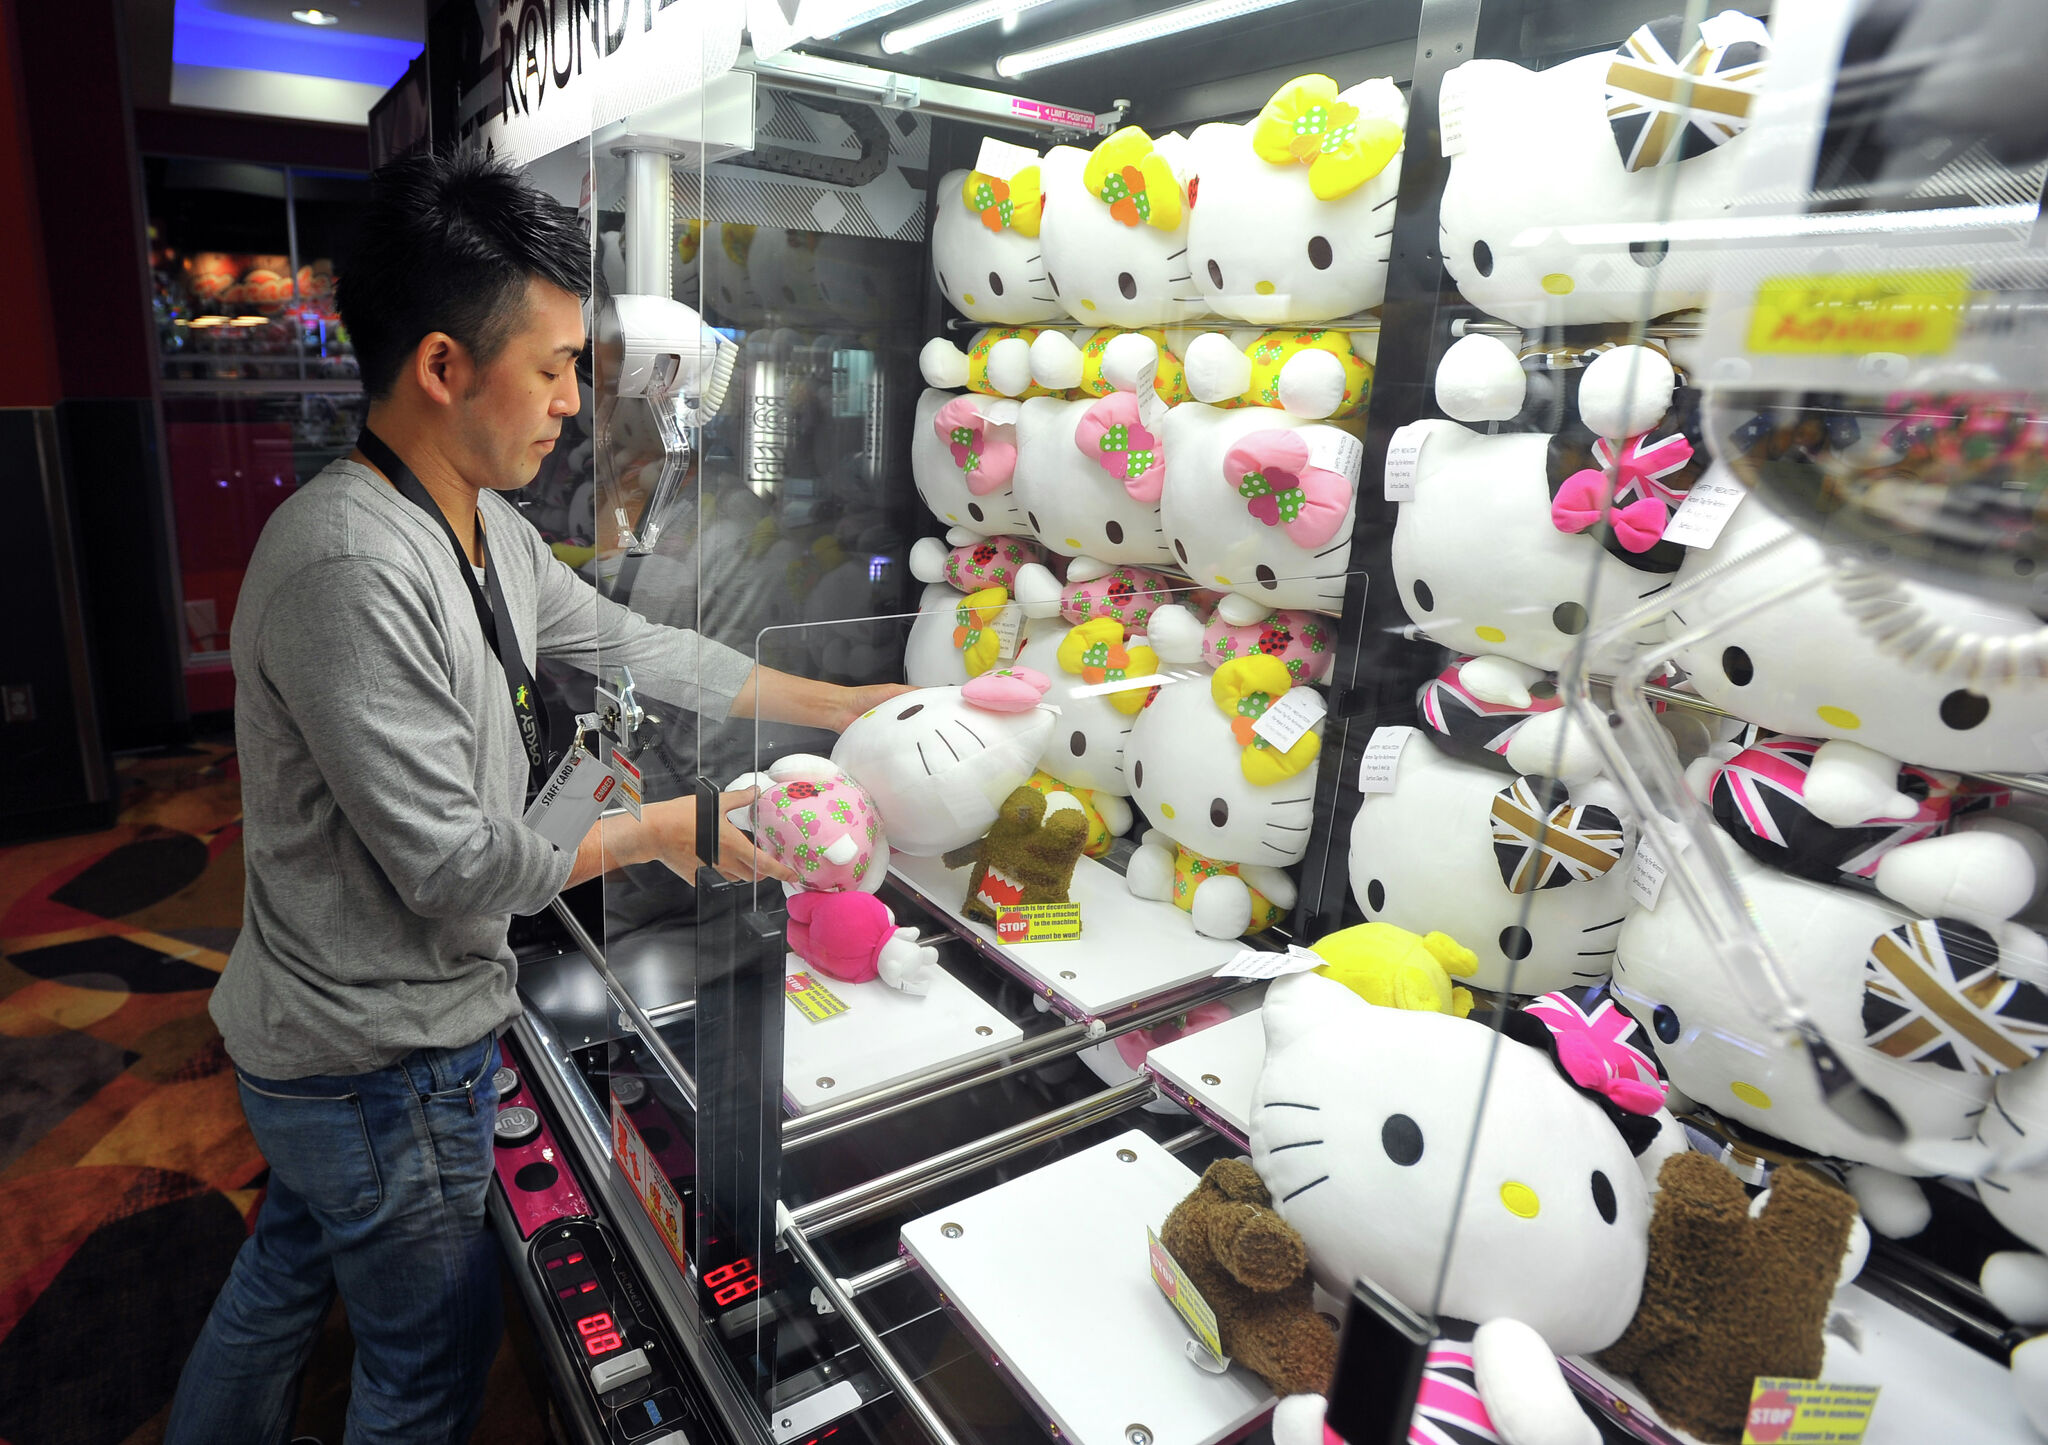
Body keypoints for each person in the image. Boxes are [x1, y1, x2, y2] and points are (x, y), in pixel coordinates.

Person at [165, 151, 907, 1445]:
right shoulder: (352, 565)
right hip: (375, 1063)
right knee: (424, 1369)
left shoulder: (478, 523)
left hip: (325, 1044)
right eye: (556, 365)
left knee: (283, 1281)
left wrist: (841, 706)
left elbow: (632, 644)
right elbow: (458, 870)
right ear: (445, 368)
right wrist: (673, 828)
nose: (575, 401)